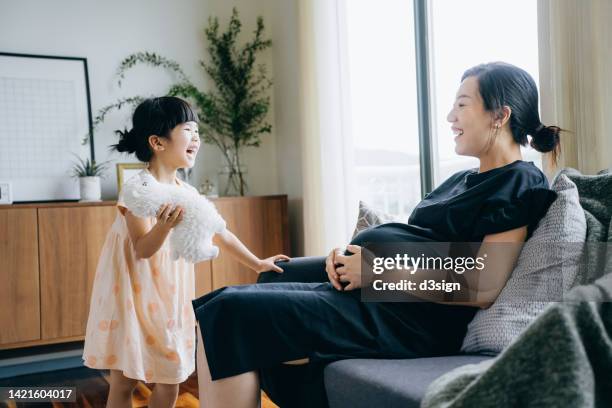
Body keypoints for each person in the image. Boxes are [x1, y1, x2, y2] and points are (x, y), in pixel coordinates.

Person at [192, 62, 562, 408]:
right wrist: (347, 259)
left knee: (228, 311)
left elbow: (482, 285)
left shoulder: (518, 181)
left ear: (500, 115)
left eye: (462, 105)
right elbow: (421, 238)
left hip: (414, 318)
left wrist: (376, 272)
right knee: (274, 276)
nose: (450, 116)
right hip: (387, 297)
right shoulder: (464, 179)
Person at [81, 96, 289, 408]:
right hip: (133, 294)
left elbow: (221, 232)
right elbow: (141, 250)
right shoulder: (138, 190)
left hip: (169, 294)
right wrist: (163, 227)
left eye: (197, 131)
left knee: (171, 379)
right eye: (188, 130)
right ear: (157, 142)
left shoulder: (188, 193)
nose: (196, 137)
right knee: (125, 382)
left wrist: (257, 261)